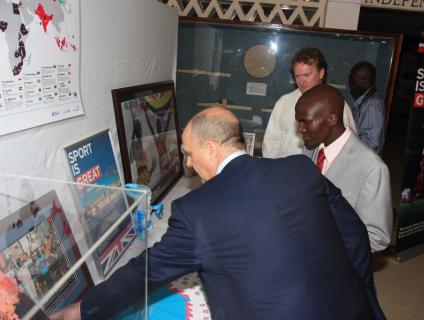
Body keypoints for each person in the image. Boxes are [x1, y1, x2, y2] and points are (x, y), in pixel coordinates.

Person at [52, 107, 379, 320]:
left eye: (189, 153)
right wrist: (363, 293)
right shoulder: (299, 168)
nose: (189, 164)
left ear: (211, 148)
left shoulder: (195, 212)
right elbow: (354, 234)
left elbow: (145, 272)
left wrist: (80, 310)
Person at [296, 84, 393, 252]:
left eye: (306, 121)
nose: (300, 129)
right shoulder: (310, 150)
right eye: (299, 121)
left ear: (332, 119)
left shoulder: (372, 168)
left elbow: (377, 238)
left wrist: (320, 240)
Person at [262, 47, 357, 158]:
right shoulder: (284, 102)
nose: (301, 82)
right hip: (285, 170)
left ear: (321, 73)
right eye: (297, 76)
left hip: (322, 172)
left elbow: (350, 144)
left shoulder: (337, 104)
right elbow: (270, 143)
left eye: (306, 75)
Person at [349, 61, 385, 155]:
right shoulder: (365, 102)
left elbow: (371, 145)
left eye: (353, 82)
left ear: (366, 79)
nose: (351, 86)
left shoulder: (371, 106)